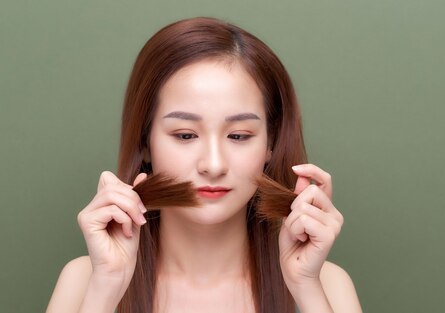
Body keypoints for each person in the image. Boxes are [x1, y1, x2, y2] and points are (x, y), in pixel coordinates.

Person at [46, 17, 362, 313]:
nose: (213, 164)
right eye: (185, 135)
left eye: (238, 136)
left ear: (270, 143)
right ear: (145, 141)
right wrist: (106, 289)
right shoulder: (84, 280)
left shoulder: (327, 284)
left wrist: (306, 288)